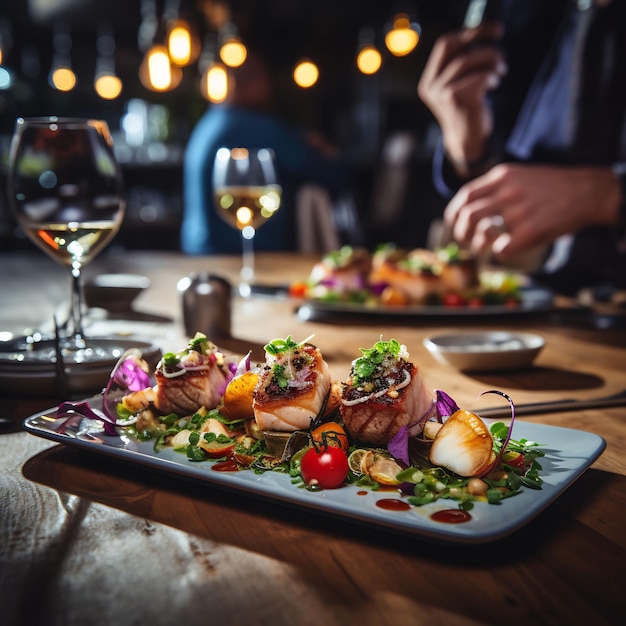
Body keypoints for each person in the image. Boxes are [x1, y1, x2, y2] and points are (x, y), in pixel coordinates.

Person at [417, 0, 626, 294]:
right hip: (546, 305)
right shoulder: (525, 15)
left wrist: (606, 195)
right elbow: (517, 183)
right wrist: (473, 149)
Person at [181, 50, 348, 255]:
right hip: (241, 253)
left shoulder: (209, 123)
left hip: (198, 249)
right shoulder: (257, 126)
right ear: (253, 83)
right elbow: (327, 173)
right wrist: (329, 153)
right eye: (265, 80)